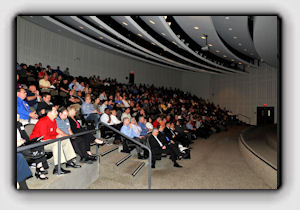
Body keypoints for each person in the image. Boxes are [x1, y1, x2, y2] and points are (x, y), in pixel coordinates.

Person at [29, 106, 77, 175]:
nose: (57, 113)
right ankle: (57, 168)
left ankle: (69, 161)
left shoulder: (54, 121)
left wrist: (59, 135)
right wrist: (56, 136)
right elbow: (44, 137)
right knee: (57, 143)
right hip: (39, 143)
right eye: (55, 111)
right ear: (49, 113)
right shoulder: (43, 121)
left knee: (65, 140)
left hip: (48, 141)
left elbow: (54, 132)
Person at [17, 114, 48, 180]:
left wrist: (26, 141)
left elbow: (25, 136)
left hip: (23, 143)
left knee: (38, 143)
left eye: (18, 114)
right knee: (35, 150)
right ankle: (39, 169)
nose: (18, 115)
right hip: (18, 146)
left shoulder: (19, 124)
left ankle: (39, 166)